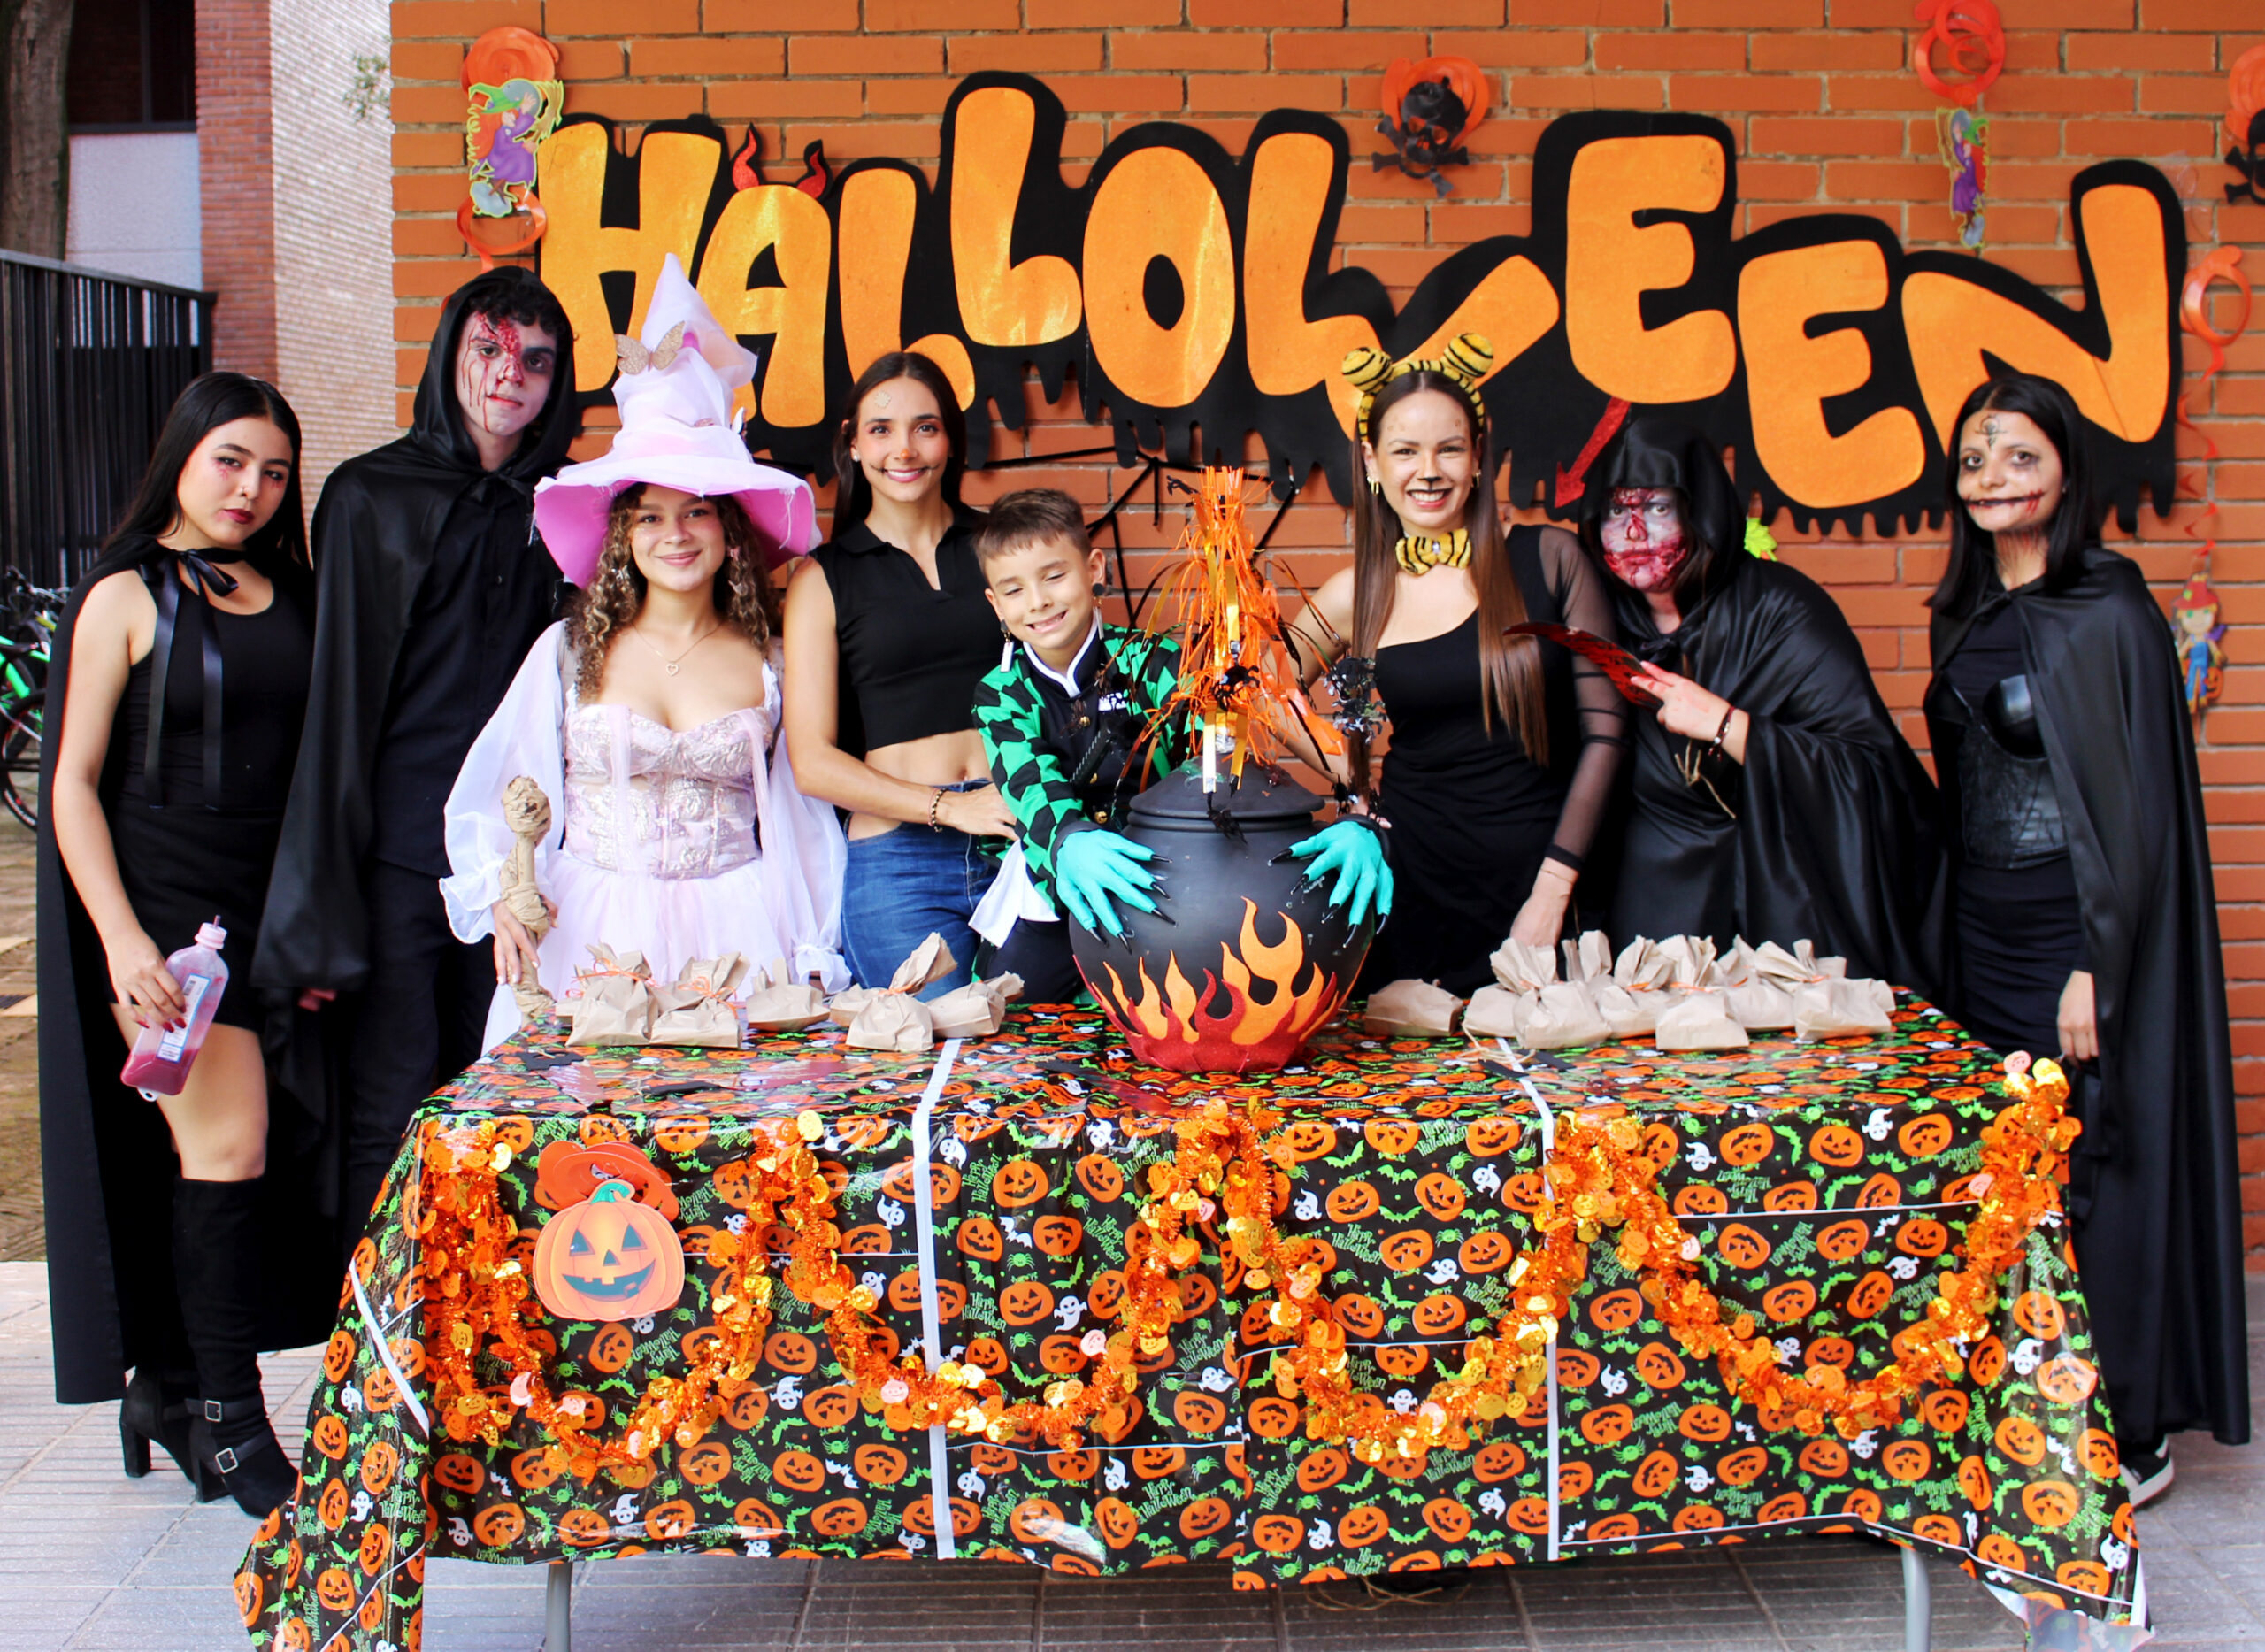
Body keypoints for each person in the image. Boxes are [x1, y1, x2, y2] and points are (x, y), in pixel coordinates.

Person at [1923, 372, 2246, 1495]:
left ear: (2065, 468)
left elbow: (2138, 812)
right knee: (2016, 1172)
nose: (1993, 478)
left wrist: (2090, 967)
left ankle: (2129, 1428)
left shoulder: (2107, 610)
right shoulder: (1964, 608)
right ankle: (2030, 1400)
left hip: (2074, 934)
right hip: (1981, 931)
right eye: (1974, 459)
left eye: (2018, 456)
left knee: (2096, 1166)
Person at [38, 373, 325, 1517]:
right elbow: (70, 782)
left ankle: (165, 1383)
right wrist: (119, 938)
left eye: (273, 469)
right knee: (228, 1147)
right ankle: (229, 1417)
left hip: (278, 911)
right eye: (231, 460)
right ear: (183, 456)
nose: (252, 487)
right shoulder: (123, 593)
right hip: (167, 921)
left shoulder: (293, 589)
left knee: (251, 1158)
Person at [442, 257, 843, 1047]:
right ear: (623, 534)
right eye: (651, 516)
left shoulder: (771, 662)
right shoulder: (567, 653)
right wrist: (500, 891)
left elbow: (801, 820)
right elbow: (501, 788)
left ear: (729, 531)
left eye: (696, 511)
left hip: (737, 933)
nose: (675, 535)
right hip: (590, 931)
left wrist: (811, 949)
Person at [254, 266, 578, 1228]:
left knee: (516, 1082)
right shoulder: (369, 496)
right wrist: (321, 889)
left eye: (535, 359)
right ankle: (382, 1341)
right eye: (487, 348)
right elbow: (336, 699)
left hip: (529, 852)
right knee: (391, 1090)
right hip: (398, 848)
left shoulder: (566, 506)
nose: (508, 374)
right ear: (450, 357)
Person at [1294, 335, 1626, 994]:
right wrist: (1345, 768)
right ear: (1371, 462)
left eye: (1449, 447)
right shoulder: (1356, 592)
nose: (1429, 470)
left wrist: (1554, 890)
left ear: (1478, 455)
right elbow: (1252, 687)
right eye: (1405, 451)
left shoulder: (1550, 559)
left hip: (1542, 886)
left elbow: (1608, 735)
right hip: (1413, 886)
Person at [964, 489, 1390, 1000]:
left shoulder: (1158, 661)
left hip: (1170, 889)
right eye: (1014, 590)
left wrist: (1359, 801)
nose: (1038, 601)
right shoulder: (999, 693)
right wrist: (1069, 841)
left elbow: (1258, 705)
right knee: (1010, 1024)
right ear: (994, 604)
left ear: (1094, 568)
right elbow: (1030, 784)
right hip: (1058, 891)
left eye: (1054, 576)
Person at [1579, 418, 1938, 989]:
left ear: (1701, 514)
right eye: (1618, 512)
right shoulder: (1597, 616)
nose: (1636, 531)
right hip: (1648, 919)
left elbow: (1874, 776)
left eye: (1659, 509)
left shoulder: (1782, 610)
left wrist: (1729, 725)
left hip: (1779, 910)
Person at [783, 352, 1015, 997]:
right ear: (853, 445)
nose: (904, 448)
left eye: (926, 427)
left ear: (950, 441)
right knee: (941, 1062)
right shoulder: (822, 577)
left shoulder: (1002, 545)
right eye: (881, 429)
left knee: (1039, 1058)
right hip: (899, 866)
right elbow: (812, 761)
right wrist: (950, 808)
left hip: (1019, 840)